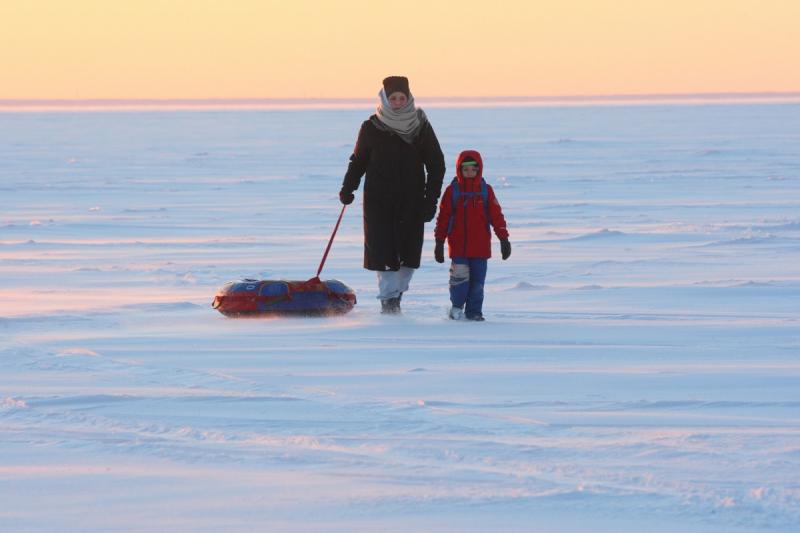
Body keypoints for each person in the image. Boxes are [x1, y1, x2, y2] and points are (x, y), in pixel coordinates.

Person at [339, 76, 446, 314]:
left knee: (408, 255)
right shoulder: (371, 127)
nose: (397, 102)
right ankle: (389, 303)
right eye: (393, 98)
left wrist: (431, 200)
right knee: (384, 252)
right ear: (385, 99)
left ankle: (397, 295)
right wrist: (348, 188)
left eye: (402, 98)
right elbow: (358, 162)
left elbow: (437, 165)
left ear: (408, 99)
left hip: (412, 199)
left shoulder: (421, 126)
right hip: (379, 200)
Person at [433, 150, 511, 321]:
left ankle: (474, 312)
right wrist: (439, 241)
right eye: (465, 169)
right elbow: (443, 218)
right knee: (459, 282)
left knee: (477, 284)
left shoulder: (485, 191)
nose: (469, 173)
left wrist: (503, 238)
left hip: (480, 248)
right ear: (459, 170)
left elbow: (496, 216)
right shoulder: (452, 191)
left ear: (479, 169)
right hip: (458, 248)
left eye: (473, 169)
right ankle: (456, 308)